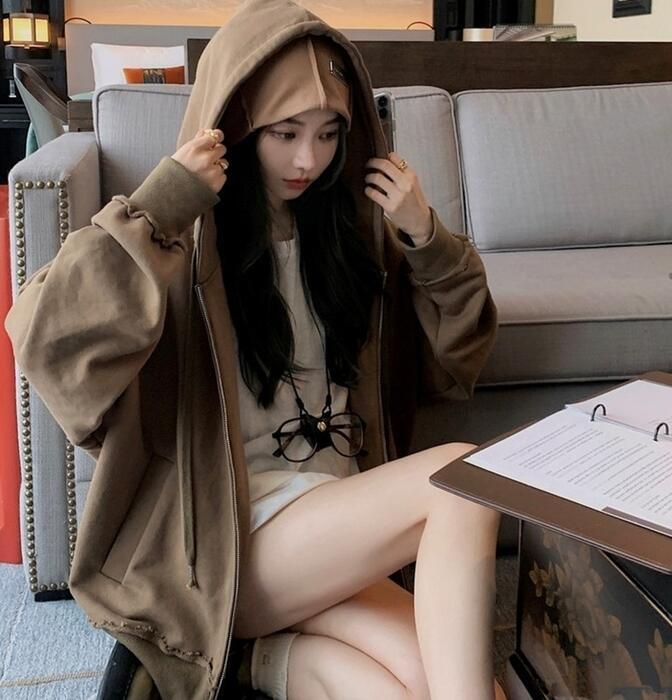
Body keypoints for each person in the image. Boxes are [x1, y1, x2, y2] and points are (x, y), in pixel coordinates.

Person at [5, 1, 502, 698]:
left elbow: (456, 359)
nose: (308, 159)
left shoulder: (349, 238)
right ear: (236, 129)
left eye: (329, 134)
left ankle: (265, 661)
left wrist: (426, 236)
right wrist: (159, 207)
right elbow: (44, 337)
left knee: (420, 682)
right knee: (463, 480)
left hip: (332, 526)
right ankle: (247, 640)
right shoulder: (180, 245)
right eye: (285, 133)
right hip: (229, 545)